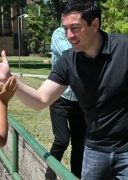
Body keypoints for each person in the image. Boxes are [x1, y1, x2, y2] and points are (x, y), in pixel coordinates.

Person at [0, 0, 128, 179]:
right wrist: (9, 79)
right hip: (95, 149)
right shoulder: (68, 61)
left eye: (75, 28)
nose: (69, 35)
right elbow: (40, 100)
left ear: (95, 24)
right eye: (66, 28)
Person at [45, 27, 86, 179]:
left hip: (80, 100)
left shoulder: (85, 35)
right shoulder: (59, 34)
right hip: (59, 97)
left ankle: (76, 176)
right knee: (62, 140)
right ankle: (50, 174)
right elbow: (69, 52)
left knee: (79, 143)